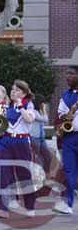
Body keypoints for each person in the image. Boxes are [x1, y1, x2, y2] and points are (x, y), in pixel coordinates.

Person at [0, 80, 36, 218]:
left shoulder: (29, 104)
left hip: (21, 141)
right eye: (12, 89)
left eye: (17, 90)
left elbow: (29, 120)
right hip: (7, 140)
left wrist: (20, 105)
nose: (13, 91)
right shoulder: (7, 107)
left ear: (24, 92)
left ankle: (29, 206)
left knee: (24, 175)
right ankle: (3, 209)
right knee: (4, 174)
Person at [54, 66, 78, 215]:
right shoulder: (65, 94)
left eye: (71, 74)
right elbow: (60, 114)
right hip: (69, 137)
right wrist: (67, 115)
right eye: (66, 73)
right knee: (69, 171)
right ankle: (68, 204)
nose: (67, 76)